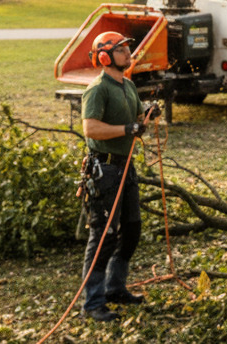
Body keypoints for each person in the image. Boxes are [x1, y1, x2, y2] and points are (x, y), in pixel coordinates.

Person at [78, 31, 156, 321]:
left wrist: (146, 114)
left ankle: (115, 288)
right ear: (104, 56)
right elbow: (91, 129)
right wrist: (127, 130)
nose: (128, 53)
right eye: (121, 50)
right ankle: (93, 303)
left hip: (126, 167)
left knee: (132, 229)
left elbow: (135, 120)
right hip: (105, 170)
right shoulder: (98, 89)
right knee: (103, 236)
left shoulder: (129, 85)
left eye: (127, 49)